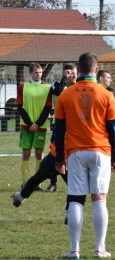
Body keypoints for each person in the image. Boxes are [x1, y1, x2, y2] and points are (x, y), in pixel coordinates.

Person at [54, 52, 115, 259]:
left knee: (76, 199)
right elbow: (114, 131)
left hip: (75, 153)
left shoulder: (66, 95)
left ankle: (74, 249)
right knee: (99, 199)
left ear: (78, 70)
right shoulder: (107, 95)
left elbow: (58, 131)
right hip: (101, 152)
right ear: (96, 70)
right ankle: (99, 248)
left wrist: (59, 158)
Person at [17, 63, 52, 191]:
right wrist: (29, 124)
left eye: (40, 72)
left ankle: (37, 183)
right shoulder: (23, 87)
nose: (39, 75)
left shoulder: (47, 88)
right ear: (30, 73)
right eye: (36, 72)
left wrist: (36, 124)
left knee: (39, 154)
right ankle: (26, 183)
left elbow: (48, 107)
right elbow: (20, 106)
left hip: (40, 126)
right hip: (26, 126)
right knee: (26, 154)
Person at [45, 64, 77, 193]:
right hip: (59, 125)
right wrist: (64, 79)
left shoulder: (79, 87)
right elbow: (57, 92)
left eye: (74, 73)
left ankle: (74, 182)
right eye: (70, 73)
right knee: (55, 153)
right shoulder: (57, 84)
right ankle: (53, 183)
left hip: (74, 126)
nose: (73, 75)